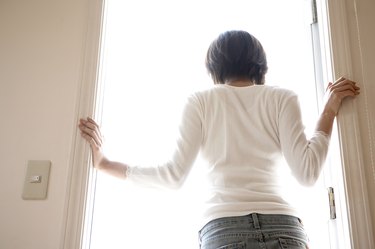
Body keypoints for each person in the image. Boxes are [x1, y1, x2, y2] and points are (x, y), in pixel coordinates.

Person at [79, 30, 360, 249]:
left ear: (214, 66)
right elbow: (308, 173)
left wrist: (103, 163)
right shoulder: (282, 98)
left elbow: (172, 176)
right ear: (260, 63)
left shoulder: (200, 101)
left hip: (223, 230)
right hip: (284, 227)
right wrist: (329, 108)